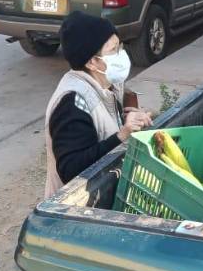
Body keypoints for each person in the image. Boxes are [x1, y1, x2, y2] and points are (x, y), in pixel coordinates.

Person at [45, 11, 152, 197]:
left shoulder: (108, 84)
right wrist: (122, 135)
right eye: (113, 50)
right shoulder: (72, 103)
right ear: (92, 62)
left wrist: (125, 119)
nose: (121, 55)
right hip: (76, 207)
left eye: (120, 46)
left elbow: (100, 128)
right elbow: (72, 169)